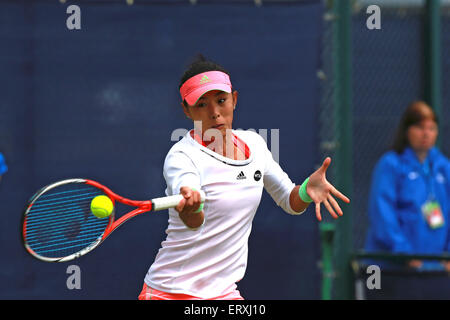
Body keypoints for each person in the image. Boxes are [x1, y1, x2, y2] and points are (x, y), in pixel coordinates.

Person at [138, 55, 350, 300]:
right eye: (201, 105)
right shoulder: (181, 156)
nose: (215, 113)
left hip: (223, 292)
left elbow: (289, 200)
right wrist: (192, 207)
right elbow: (193, 219)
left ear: (234, 100)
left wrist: (305, 191)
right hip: (171, 291)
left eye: (221, 100)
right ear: (187, 110)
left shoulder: (255, 144)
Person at [364, 101, 450, 271]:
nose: (426, 133)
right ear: (406, 130)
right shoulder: (390, 165)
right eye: (419, 127)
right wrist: (405, 254)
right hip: (391, 268)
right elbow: (382, 214)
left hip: (436, 269)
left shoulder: (444, 167)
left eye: (431, 128)